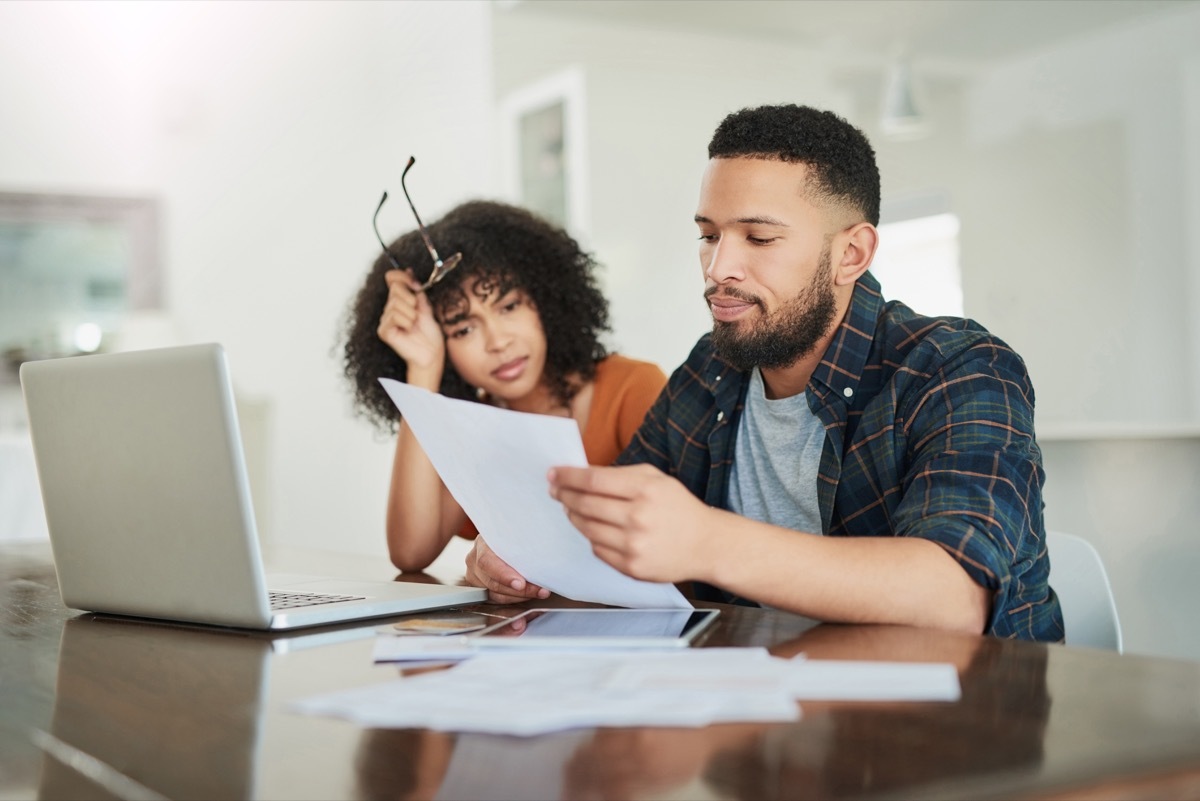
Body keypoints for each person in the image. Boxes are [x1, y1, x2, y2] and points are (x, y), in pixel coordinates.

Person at [464, 104, 1064, 641]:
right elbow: (615, 534)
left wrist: (706, 541)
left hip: (957, 739)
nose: (719, 267)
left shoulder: (959, 369)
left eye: (758, 237)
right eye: (708, 236)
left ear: (850, 254)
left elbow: (952, 599)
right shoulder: (712, 369)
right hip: (758, 721)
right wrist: (520, 553)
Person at [342, 199, 668, 572]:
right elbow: (411, 553)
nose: (497, 342)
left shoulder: (633, 387)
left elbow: (673, 535)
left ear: (544, 298)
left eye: (509, 306)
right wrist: (423, 366)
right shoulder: (474, 429)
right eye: (463, 329)